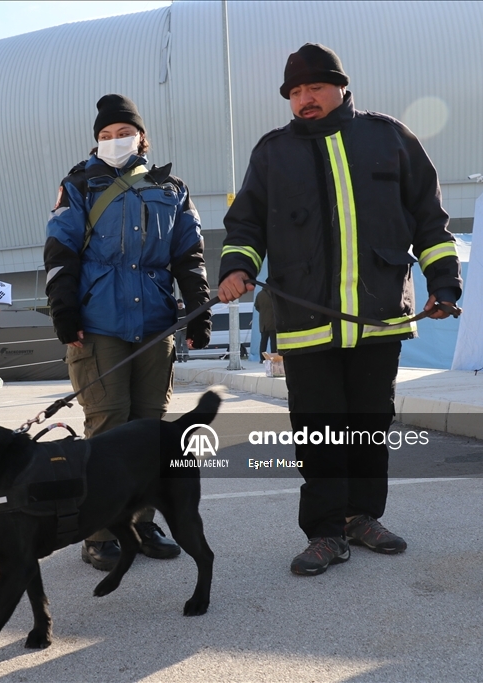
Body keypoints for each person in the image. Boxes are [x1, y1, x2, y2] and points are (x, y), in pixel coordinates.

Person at [218, 44, 461, 576]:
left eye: (315, 88)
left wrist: (444, 282)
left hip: (378, 317)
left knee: (370, 424)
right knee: (320, 430)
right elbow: (246, 225)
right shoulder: (272, 153)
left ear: (341, 87)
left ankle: (362, 517)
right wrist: (236, 267)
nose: (305, 99)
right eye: (295, 92)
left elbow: (429, 219)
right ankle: (325, 532)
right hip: (305, 322)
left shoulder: (390, 138)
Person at [45, 94, 212, 571]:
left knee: (150, 430)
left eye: (123, 133)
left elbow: (189, 255)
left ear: (141, 137)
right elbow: (60, 251)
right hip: (98, 326)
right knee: (108, 427)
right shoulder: (79, 184)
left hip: (155, 325)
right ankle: (98, 532)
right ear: (95, 141)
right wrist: (64, 309)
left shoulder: (171, 188)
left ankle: (140, 523)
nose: (115, 141)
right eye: (105, 135)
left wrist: (198, 311)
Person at [254, 288, 277, 359]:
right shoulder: (273, 294)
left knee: (263, 341)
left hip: (263, 322)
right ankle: (273, 357)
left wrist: (262, 312)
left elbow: (256, 306)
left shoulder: (259, 294)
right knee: (273, 341)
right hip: (273, 322)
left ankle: (262, 358)